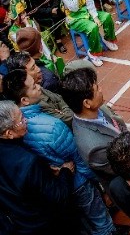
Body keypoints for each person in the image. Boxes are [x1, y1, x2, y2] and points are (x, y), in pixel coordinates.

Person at [2, 69, 117, 234]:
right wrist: (98, 182)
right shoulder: (51, 127)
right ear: (24, 100)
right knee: (100, 220)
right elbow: (79, 159)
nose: (39, 87)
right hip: (78, 183)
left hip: (60, 184)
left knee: (84, 219)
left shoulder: (16, 131)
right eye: (34, 87)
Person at [0, 100, 76, 234]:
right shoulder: (28, 163)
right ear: (9, 133)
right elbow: (58, 196)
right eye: (21, 120)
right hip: (42, 224)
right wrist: (65, 171)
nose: (26, 120)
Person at [58, 67, 128, 187]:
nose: (101, 90)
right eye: (97, 89)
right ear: (87, 103)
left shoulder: (96, 110)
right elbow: (125, 168)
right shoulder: (93, 146)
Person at [61, 0, 117, 67]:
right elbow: (74, 8)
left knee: (106, 17)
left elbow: (89, 3)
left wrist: (95, 16)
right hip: (75, 19)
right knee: (92, 27)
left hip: (87, 13)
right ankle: (93, 52)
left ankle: (108, 39)